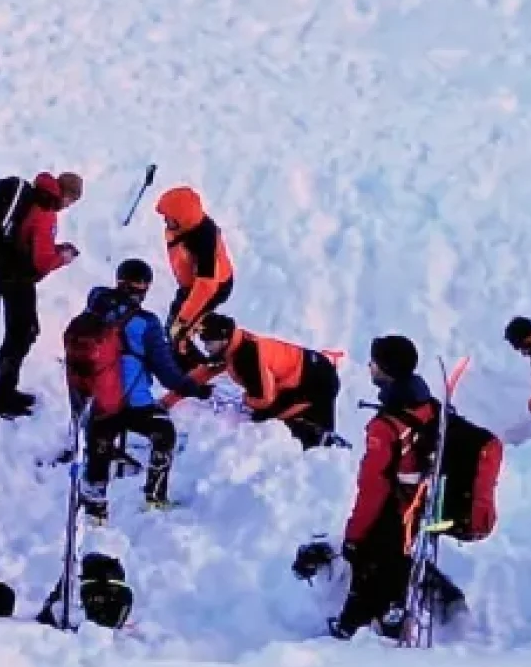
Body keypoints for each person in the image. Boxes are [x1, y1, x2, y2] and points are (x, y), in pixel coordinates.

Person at [63, 259, 211, 517]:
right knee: (164, 433)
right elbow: (167, 373)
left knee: (99, 452)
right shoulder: (146, 324)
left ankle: (94, 511)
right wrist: (193, 387)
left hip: (99, 406)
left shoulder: (90, 315)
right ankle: (154, 497)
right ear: (143, 288)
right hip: (136, 406)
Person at [331, 334, 438, 640]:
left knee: (366, 560)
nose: (369, 366)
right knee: (396, 561)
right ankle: (391, 613)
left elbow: (372, 486)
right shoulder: (426, 404)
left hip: (392, 507)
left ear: (387, 370)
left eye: (374, 362)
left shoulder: (386, 426)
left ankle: (351, 628)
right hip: (416, 503)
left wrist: (355, 533)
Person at [0, 171, 82, 418]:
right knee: (19, 336)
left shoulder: (37, 201)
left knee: (22, 333)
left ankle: (5, 391)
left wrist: (57, 250)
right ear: (67, 194)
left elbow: (34, 247)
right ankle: (0, 398)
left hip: (10, 275)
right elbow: (40, 262)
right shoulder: (46, 212)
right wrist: (63, 257)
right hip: (17, 280)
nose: (68, 206)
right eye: (72, 200)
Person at [191, 313, 341, 449]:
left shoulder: (247, 356)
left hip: (318, 383)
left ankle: (324, 445)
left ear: (223, 339)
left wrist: (246, 399)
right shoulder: (236, 344)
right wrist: (172, 397)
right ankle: (323, 441)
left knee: (270, 422)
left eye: (209, 343)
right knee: (267, 415)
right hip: (314, 371)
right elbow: (202, 373)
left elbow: (265, 399)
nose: (206, 347)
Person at [155, 187, 235, 355]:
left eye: (169, 218)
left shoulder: (203, 240)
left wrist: (184, 319)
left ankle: (191, 369)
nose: (165, 221)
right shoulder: (183, 228)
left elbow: (206, 286)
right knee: (176, 324)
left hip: (213, 288)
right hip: (193, 286)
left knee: (179, 330)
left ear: (183, 218)